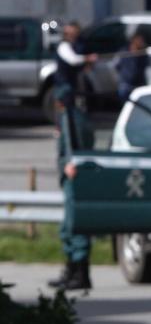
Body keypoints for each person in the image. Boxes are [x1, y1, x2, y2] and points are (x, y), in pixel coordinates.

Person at [48, 78, 95, 294]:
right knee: (69, 227)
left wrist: (71, 164)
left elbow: (71, 151)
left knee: (74, 226)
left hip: (75, 179)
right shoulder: (77, 118)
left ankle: (80, 274)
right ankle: (72, 272)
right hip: (76, 177)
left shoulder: (70, 119)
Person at [51, 20, 95, 108]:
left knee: (74, 108)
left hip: (72, 84)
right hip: (63, 84)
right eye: (70, 34)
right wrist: (88, 58)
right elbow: (73, 60)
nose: (73, 36)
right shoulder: (63, 46)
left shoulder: (79, 44)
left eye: (75, 33)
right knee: (65, 111)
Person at [114, 34, 151, 103]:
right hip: (126, 85)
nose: (142, 43)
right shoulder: (124, 52)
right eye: (140, 41)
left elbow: (148, 64)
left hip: (139, 85)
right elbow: (116, 65)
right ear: (134, 41)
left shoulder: (143, 54)